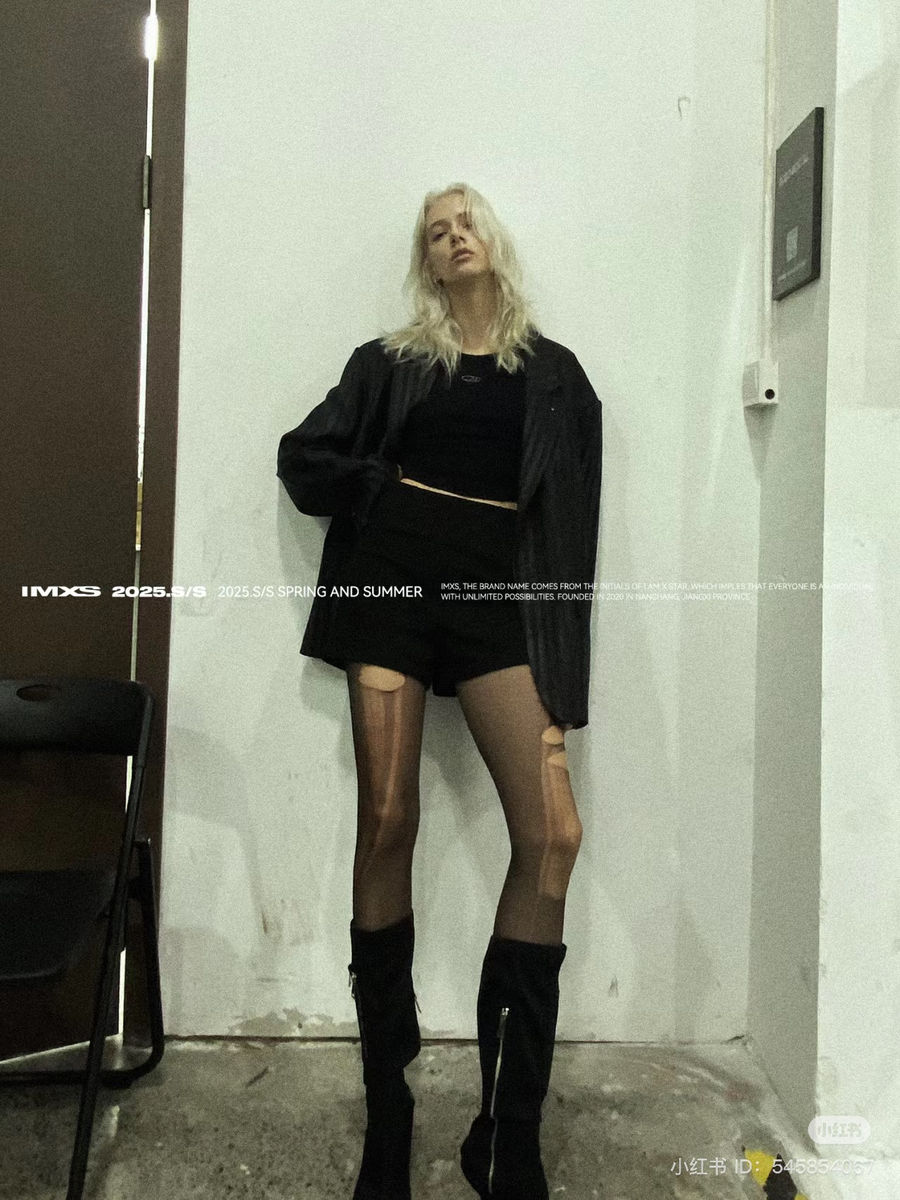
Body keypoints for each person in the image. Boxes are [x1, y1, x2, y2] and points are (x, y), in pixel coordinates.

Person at [276, 182, 602, 1200]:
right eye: (436, 233)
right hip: (391, 586)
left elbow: (572, 536)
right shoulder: (390, 364)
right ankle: (390, 1113)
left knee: (552, 835)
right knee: (386, 820)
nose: (454, 238)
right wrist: (377, 489)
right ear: (426, 261)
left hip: (497, 600)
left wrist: (563, 670)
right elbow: (303, 458)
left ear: (493, 242)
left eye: (466, 224)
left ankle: (506, 1134)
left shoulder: (558, 379)